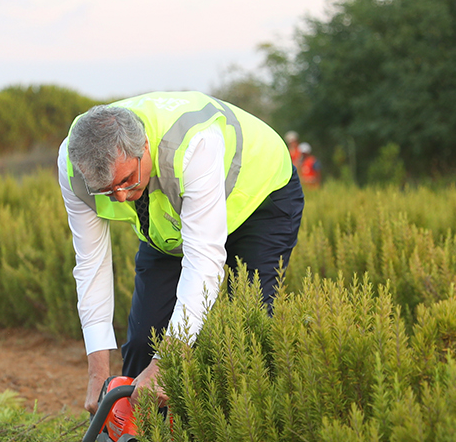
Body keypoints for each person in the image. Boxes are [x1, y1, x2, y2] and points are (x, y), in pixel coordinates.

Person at [59, 92, 303, 414]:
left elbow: (204, 261)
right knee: (144, 343)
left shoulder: (194, 144)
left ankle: (243, 433)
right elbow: (91, 264)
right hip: (171, 220)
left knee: (246, 328)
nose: (119, 198)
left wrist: (166, 361)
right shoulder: (75, 166)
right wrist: (98, 373)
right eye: (106, 190)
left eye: (127, 181)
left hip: (260, 199)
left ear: (144, 147)